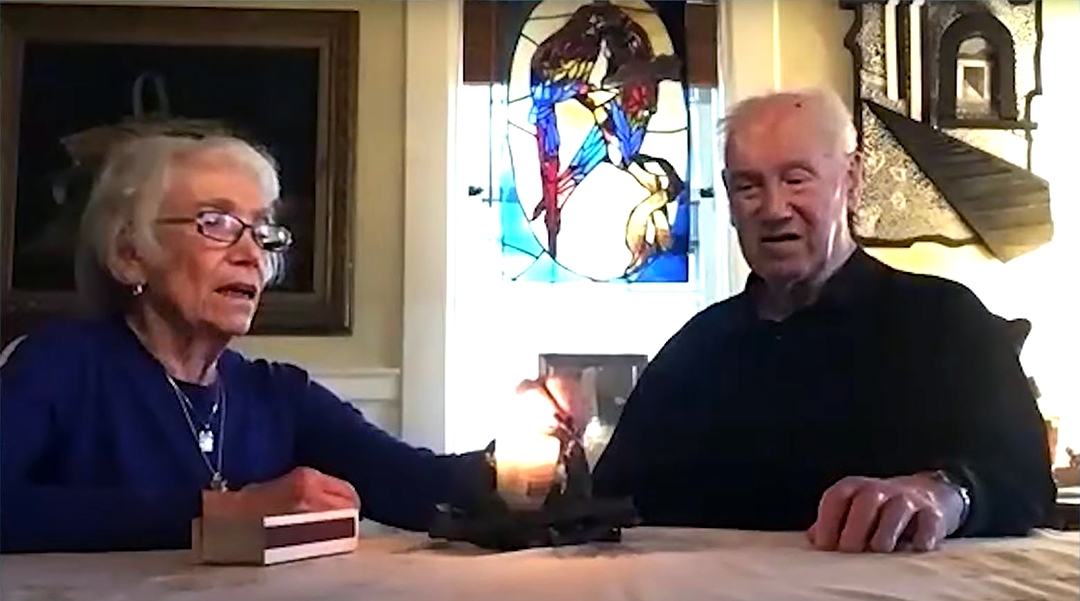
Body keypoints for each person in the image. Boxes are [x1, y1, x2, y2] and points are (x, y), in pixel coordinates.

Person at [591, 89, 1056, 553]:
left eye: (796, 180)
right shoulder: (697, 347)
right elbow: (611, 497)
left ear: (851, 179)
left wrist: (945, 493)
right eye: (749, 186)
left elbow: (1024, 478)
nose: (773, 210)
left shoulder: (946, 319)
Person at [0, 135, 496, 553]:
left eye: (261, 231)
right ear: (131, 255)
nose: (249, 254)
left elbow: (416, 484)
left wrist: (540, 462)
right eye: (214, 223)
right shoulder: (58, 365)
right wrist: (216, 511)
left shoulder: (279, 395)